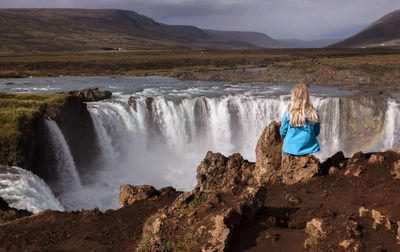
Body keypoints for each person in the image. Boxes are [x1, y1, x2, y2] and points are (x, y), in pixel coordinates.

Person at [280, 83, 320, 157]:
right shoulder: (314, 112)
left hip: (289, 148)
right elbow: (316, 131)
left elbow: (283, 131)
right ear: (307, 97)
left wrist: (286, 139)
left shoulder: (288, 113)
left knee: (286, 167)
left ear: (293, 97)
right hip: (308, 148)